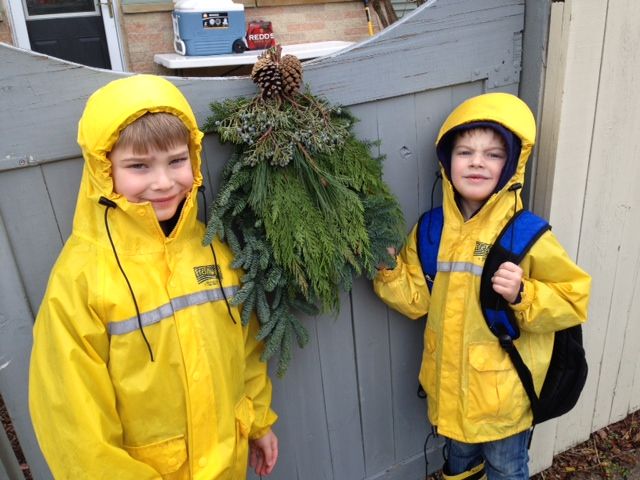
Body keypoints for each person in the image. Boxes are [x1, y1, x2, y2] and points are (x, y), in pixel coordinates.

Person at [29, 74, 278, 479]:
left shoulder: (212, 250)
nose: (163, 182)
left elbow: (245, 348)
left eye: (176, 161)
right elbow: (74, 423)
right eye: (138, 166)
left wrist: (258, 422)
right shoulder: (83, 278)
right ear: (103, 169)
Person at [373, 92, 591, 479]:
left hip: (503, 400)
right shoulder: (431, 230)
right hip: (450, 393)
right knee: (459, 464)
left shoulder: (526, 234)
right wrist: (388, 269)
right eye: (465, 152)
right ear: (447, 161)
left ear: (512, 164)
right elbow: (416, 301)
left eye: (493, 154)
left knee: (506, 468)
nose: (477, 162)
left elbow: (573, 300)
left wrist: (524, 294)